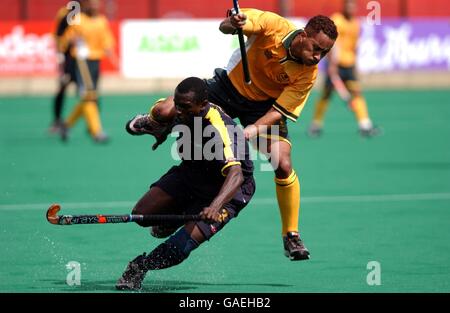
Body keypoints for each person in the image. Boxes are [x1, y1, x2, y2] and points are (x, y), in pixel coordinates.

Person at [145, 9, 337, 261]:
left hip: (263, 108)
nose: (317, 56)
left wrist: (253, 129)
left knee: (283, 162)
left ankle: (291, 234)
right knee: (170, 114)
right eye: (315, 48)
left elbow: (280, 110)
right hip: (228, 88)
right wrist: (233, 23)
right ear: (303, 36)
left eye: (324, 53)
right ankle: (153, 122)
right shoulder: (272, 25)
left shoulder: (308, 73)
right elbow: (225, 27)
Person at [115, 77, 255, 291]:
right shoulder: (181, 108)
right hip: (193, 172)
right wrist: (162, 128)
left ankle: (140, 267)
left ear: (203, 103)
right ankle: (178, 216)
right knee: (142, 214)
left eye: (185, 107)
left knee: (182, 245)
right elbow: (168, 114)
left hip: (228, 189)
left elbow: (236, 175)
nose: (179, 111)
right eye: (177, 105)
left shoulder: (220, 128)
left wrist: (215, 206)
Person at [308, 0, 380, 138]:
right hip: (336, 65)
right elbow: (329, 44)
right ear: (344, 6)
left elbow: (354, 46)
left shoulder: (356, 23)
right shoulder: (337, 20)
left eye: (353, 6)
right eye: (348, 6)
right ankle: (315, 125)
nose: (351, 9)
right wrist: (332, 65)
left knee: (356, 93)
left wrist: (356, 66)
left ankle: (364, 124)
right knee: (326, 95)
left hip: (350, 65)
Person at [58, 0, 117, 143]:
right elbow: (65, 39)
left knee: (90, 96)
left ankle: (66, 124)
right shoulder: (78, 20)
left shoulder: (102, 21)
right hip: (81, 60)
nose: (93, 6)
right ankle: (96, 132)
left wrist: (110, 52)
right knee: (89, 95)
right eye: (90, 3)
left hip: (95, 61)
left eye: (96, 3)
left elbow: (107, 39)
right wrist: (70, 40)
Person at [49, 5, 78, 133]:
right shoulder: (65, 13)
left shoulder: (88, 14)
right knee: (63, 86)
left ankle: (91, 124)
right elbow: (58, 35)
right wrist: (60, 55)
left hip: (82, 58)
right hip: (68, 57)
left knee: (88, 91)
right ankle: (57, 120)